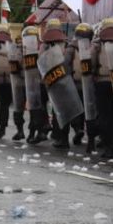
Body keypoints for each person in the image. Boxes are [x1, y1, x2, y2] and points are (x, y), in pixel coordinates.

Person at [40, 19, 76, 150]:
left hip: (52, 80)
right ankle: (63, 138)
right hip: (65, 79)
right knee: (62, 110)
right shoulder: (66, 45)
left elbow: (41, 62)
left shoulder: (44, 45)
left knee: (57, 110)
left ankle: (59, 137)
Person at [91, 19, 113, 158]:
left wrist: (93, 73)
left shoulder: (98, 43)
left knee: (104, 115)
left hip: (102, 82)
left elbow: (91, 60)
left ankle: (107, 144)